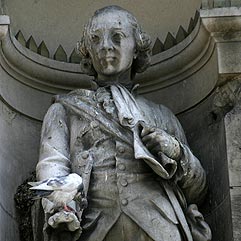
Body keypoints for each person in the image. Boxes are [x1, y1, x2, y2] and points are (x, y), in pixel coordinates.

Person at [36, 5, 211, 241]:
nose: (105, 46)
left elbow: (198, 190)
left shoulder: (161, 115)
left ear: (136, 48)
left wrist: (175, 151)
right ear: (87, 50)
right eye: (96, 39)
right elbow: (52, 166)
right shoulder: (64, 110)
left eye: (117, 37)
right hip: (93, 228)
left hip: (160, 226)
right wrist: (62, 206)